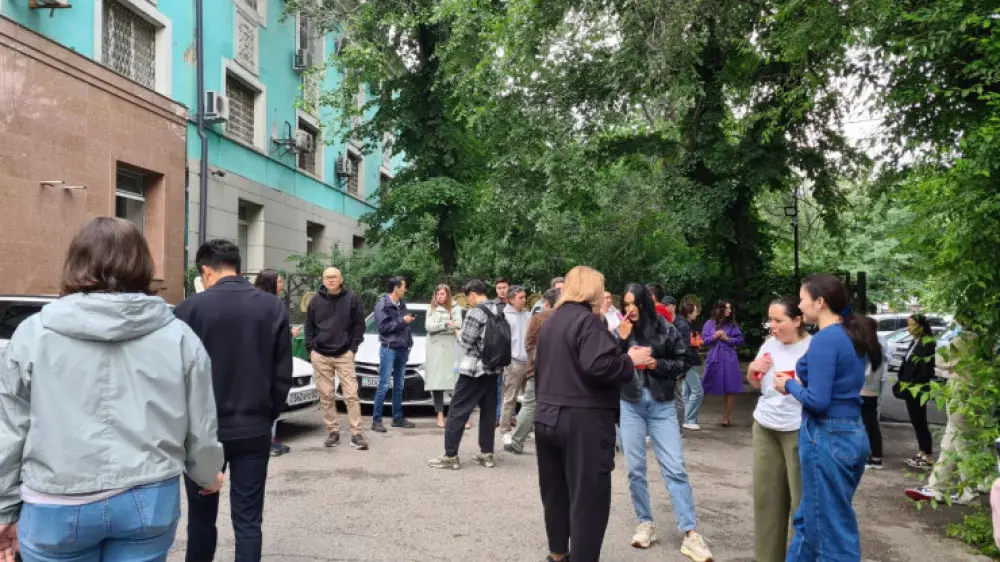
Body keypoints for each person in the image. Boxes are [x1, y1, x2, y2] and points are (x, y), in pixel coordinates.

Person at [0, 217, 224, 562]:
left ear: (76, 263)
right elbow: (201, 422)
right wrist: (207, 474)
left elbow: (10, 429)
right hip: (148, 497)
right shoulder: (179, 336)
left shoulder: (32, 334)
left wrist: (5, 509)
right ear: (142, 265)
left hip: (55, 502)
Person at [175, 239, 293, 562]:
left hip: (202, 433)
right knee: (248, 520)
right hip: (253, 428)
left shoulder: (188, 310)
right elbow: (282, 373)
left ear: (206, 271)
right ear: (238, 268)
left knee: (201, 520)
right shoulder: (272, 308)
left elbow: (176, 375)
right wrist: (267, 415)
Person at [534, 266, 652, 562]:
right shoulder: (587, 321)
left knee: (555, 493)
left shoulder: (550, 321)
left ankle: (558, 555)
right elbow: (598, 365)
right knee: (588, 500)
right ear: (590, 290)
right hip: (582, 420)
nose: (603, 294)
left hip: (546, 415)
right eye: (601, 287)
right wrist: (629, 360)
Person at [774, 274, 876, 561]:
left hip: (826, 437)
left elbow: (818, 401)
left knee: (832, 534)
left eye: (802, 300)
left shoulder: (825, 340)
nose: (799, 306)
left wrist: (789, 385)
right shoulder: (851, 334)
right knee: (810, 521)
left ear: (819, 302)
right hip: (852, 433)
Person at [615, 284, 712, 562]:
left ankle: (690, 532)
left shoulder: (664, 327)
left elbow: (684, 361)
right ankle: (645, 523)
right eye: (625, 304)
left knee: (675, 467)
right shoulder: (621, 330)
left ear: (645, 303)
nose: (630, 309)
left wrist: (655, 365)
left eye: (634, 303)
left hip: (661, 403)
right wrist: (620, 341)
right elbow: (607, 365)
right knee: (635, 469)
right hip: (630, 403)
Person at [746, 297, 811, 562]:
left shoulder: (811, 348)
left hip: (797, 428)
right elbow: (755, 383)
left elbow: (819, 393)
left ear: (797, 321)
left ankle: (799, 557)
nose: (772, 326)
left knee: (800, 502)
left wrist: (796, 384)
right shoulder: (769, 344)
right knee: (767, 500)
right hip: (765, 426)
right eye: (770, 320)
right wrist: (752, 370)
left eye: (778, 320)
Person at [428, 280, 506, 470]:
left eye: (467, 298)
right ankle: (486, 454)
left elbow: (466, 341)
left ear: (472, 294)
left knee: (457, 410)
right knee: (488, 413)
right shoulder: (500, 308)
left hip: (473, 369)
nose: (468, 302)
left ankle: (450, 456)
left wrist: (457, 331)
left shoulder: (475, 312)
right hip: (494, 369)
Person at [906, 328, 977, 502]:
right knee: (951, 440)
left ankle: (969, 491)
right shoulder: (987, 340)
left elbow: (940, 359)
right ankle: (938, 487)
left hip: (961, 390)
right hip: (974, 392)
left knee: (960, 442)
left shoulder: (966, 338)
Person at [305, 267, 369, 450]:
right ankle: (333, 431)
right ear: (323, 280)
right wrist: (311, 349)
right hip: (320, 355)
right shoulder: (315, 301)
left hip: (344, 354)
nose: (330, 280)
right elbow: (309, 327)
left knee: (351, 395)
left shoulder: (352, 298)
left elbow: (359, 325)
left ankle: (356, 434)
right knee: (326, 395)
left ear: (341, 279)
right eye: (327, 277)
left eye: (334, 277)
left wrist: (352, 349)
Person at [506, 288, 560, 455]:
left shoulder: (537, 318)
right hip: (561, 371)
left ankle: (517, 442)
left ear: (546, 303)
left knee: (529, 405)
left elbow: (528, 344)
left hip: (538, 369)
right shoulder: (569, 318)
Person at [253, 269, 297, 457]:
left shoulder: (254, 301)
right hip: (269, 362)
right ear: (270, 283)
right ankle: (268, 442)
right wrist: (288, 334)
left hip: (258, 361)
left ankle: (269, 439)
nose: (281, 285)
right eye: (279, 282)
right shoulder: (274, 304)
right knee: (271, 400)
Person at [372, 276, 418, 432]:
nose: (406, 290)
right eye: (404, 287)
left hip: (402, 349)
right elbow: (383, 328)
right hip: (389, 348)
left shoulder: (401, 304)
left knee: (399, 385)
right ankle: (376, 421)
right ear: (396, 288)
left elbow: (405, 327)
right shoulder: (382, 305)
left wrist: (409, 343)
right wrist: (403, 321)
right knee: (384, 385)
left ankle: (397, 418)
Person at [896, 314, 937, 470]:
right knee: (915, 420)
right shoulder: (914, 341)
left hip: (917, 387)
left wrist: (913, 382)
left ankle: (927, 454)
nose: (909, 328)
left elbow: (926, 369)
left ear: (921, 326)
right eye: (908, 324)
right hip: (908, 386)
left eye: (912, 324)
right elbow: (907, 363)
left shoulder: (928, 343)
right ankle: (922, 451)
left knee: (920, 420)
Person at [701, 300, 744, 427]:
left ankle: (726, 417)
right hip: (714, 357)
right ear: (720, 309)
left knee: (730, 388)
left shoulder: (732, 325)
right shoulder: (709, 323)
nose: (729, 311)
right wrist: (714, 336)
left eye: (730, 308)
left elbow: (740, 340)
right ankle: (691, 415)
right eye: (727, 308)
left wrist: (727, 339)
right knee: (705, 385)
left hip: (729, 358)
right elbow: (704, 341)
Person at [425, 284, 461, 428]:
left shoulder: (455, 307)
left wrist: (441, 327)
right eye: (437, 294)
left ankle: (458, 415)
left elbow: (458, 325)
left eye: (442, 294)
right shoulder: (431, 308)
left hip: (452, 348)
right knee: (437, 383)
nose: (439, 297)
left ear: (448, 295)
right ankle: (440, 415)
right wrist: (446, 324)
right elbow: (429, 327)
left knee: (456, 383)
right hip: (435, 350)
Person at [501, 286, 532, 442]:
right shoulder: (504, 316)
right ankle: (505, 430)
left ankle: (526, 429)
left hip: (529, 362)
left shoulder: (528, 315)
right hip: (513, 362)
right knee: (510, 398)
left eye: (524, 297)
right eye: (520, 297)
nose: (524, 300)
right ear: (511, 299)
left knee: (530, 399)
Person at [860, 316, 890, 471]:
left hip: (862, 390)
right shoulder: (879, 347)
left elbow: (864, 372)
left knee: (863, 425)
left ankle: (866, 457)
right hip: (873, 390)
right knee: (872, 424)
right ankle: (876, 457)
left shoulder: (865, 347)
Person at [674, 296, 705, 431]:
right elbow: (684, 346)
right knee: (698, 392)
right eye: (695, 311)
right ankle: (688, 419)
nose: (697, 314)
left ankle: (685, 419)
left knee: (685, 393)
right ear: (688, 312)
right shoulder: (684, 325)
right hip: (688, 362)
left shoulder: (681, 323)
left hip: (685, 361)